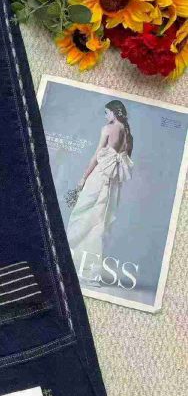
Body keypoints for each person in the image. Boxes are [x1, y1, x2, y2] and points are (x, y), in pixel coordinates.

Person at [67, 99, 134, 282]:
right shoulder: (128, 134)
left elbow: (96, 157)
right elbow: (126, 159)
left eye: (107, 113)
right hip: (114, 182)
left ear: (114, 112)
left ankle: (70, 262)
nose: (105, 116)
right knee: (101, 223)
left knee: (81, 214)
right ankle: (90, 271)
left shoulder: (107, 129)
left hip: (99, 176)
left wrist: (83, 177)